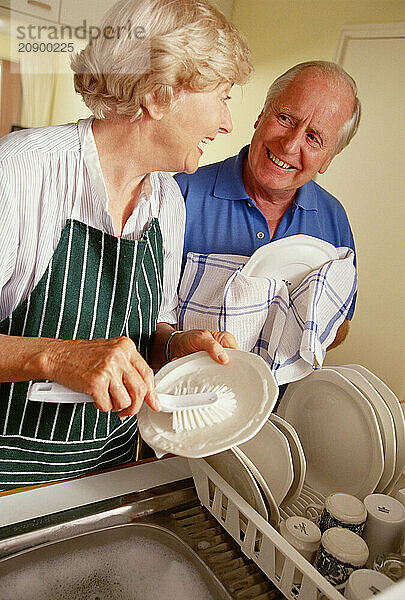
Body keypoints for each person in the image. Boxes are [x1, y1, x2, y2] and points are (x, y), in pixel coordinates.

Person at [0, 0, 253, 490]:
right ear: (157, 96)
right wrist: (55, 357)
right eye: (222, 96)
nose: (226, 124)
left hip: (111, 475)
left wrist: (175, 347)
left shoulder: (168, 202)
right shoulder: (21, 173)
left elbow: (146, 330)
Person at [175, 61, 361, 350]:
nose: (289, 145)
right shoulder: (180, 193)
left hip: (281, 395)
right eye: (285, 118)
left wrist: (307, 316)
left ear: (329, 158)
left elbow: (342, 322)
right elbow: (140, 314)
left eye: (313, 138)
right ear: (261, 114)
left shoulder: (333, 217)